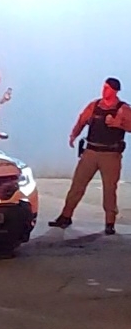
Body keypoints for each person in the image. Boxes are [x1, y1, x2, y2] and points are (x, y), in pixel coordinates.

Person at [50, 77, 131, 237]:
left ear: (114, 91)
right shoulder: (95, 105)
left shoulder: (123, 108)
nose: (104, 90)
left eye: (107, 88)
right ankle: (66, 216)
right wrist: (74, 134)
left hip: (111, 154)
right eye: (104, 87)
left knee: (109, 189)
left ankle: (110, 222)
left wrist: (118, 124)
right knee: (77, 185)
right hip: (91, 151)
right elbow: (82, 120)